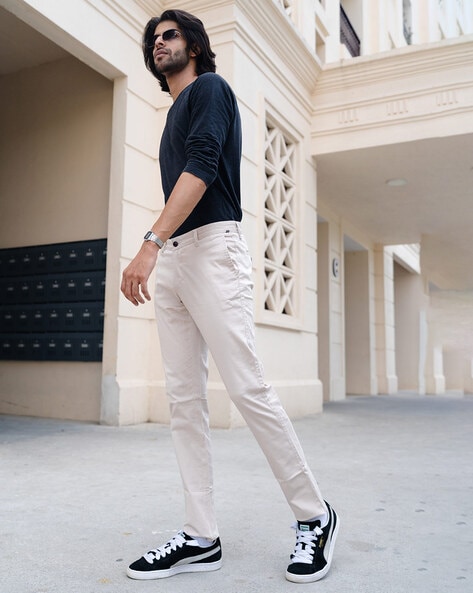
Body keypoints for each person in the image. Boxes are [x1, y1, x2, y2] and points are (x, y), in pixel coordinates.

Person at [121, 9, 339, 584]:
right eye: (154, 39)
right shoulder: (171, 113)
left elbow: (204, 166)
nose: (160, 43)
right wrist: (161, 251)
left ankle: (314, 515)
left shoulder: (210, 89)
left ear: (193, 43)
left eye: (170, 34)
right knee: (183, 401)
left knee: (246, 386)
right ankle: (200, 534)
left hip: (212, 251)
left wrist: (148, 243)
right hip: (176, 258)